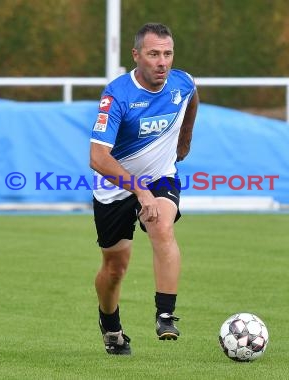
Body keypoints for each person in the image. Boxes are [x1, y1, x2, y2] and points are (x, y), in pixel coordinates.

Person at [89, 22, 199, 355]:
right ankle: (110, 325)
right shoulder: (117, 95)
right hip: (114, 187)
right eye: (153, 54)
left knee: (161, 226)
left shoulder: (182, 83)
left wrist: (185, 138)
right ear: (137, 55)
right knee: (114, 267)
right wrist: (138, 190)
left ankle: (165, 314)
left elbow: (192, 97)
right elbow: (97, 157)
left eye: (167, 54)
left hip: (160, 177)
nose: (162, 61)